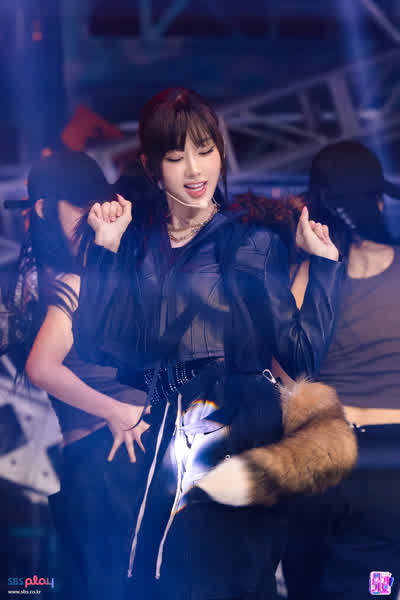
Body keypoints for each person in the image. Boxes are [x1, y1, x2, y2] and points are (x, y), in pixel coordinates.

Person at [72, 88, 355, 600]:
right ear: (151, 166)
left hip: (235, 429)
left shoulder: (250, 242)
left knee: (228, 579)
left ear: (221, 152)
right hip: (163, 432)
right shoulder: (138, 243)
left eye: (205, 150)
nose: (194, 169)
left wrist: (325, 267)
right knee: (155, 577)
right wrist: (105, 251)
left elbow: (301, 356)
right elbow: (99, 347)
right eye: (175, 157)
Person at [3, 149, 151, 600]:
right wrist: (116, 411)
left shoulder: (51, 275)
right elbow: (41, 366)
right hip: (109, 456)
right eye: (81, 205)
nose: (92, 215)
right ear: (44, 209)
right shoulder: (70, 279)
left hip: (105, 459)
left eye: (95, 202)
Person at [280, 140, 400, 600]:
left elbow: (283, 370)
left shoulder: (307, 275)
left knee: (307, 584)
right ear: (378, 201)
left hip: (321, 454)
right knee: (378, 587)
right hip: (390, 466)